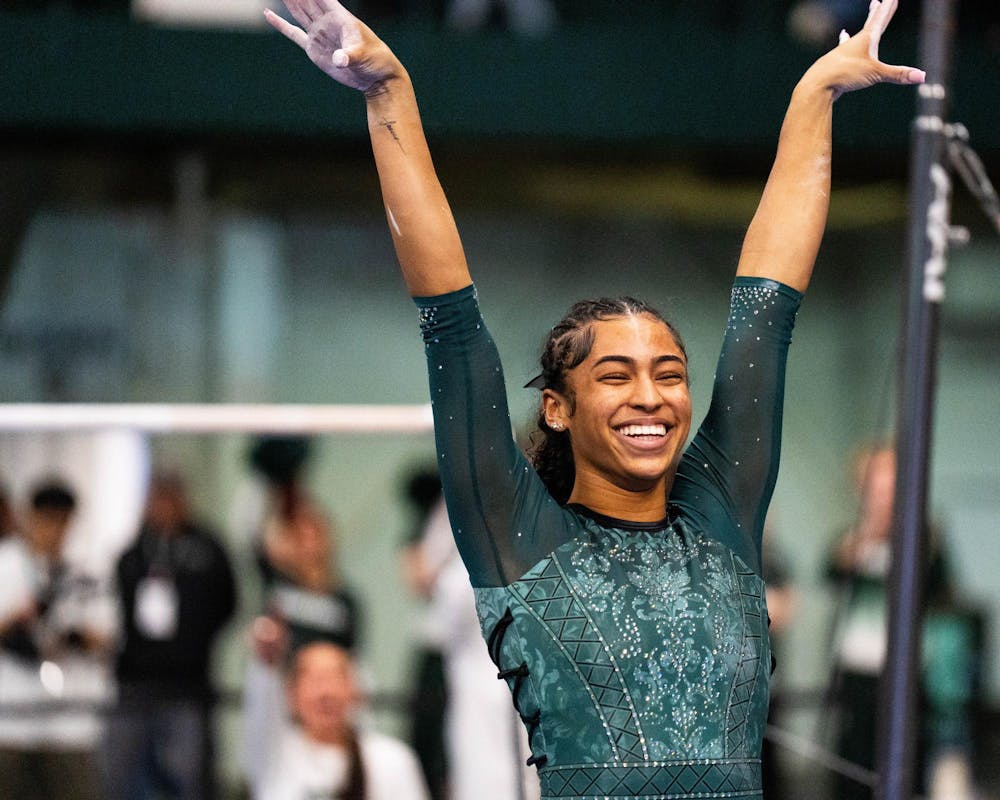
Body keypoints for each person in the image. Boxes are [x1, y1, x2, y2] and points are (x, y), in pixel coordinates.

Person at [264, 2, 923, 798]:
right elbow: (450, 322)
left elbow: (767, 305)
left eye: (670, 372)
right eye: (614, 376)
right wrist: (390, 96)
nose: (651, 396)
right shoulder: (521, 536)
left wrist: (814, 95)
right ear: (557, 407)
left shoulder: (723, 513)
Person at [104, 471, 237, 800]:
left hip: (187, 685)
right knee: (118, 772)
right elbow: (119, 606)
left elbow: (227, 602)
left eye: (171, 496)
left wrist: (193, 645)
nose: (164, 506)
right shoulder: (136, 552)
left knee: (189, 775)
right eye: (157, 497)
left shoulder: (208, 550)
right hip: (135, 683)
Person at [0, 480, 116, 800]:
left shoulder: (87, 568)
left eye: (63, 520)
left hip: (70, 722)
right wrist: (17, 623)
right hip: (11, 720)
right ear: (30, 517)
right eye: (47, 519)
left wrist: (70, 636)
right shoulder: (6, 563)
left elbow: (105, 635)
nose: (55, 530)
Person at [244, 637, 429, 800]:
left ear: (357, 693)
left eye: (335, 678)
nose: (325, 693)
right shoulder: (273, 753)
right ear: (291, 695)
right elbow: (261, 708)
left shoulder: (392, 759)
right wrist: (266, 662)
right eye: (314, 679)